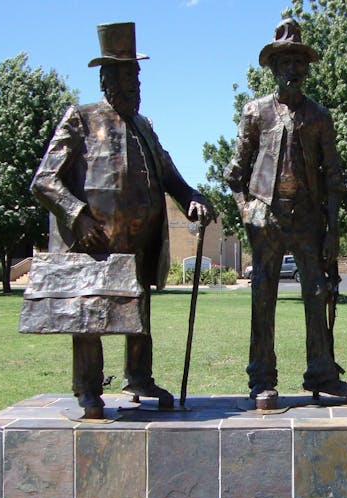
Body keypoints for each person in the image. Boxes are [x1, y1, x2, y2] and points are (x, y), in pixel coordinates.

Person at [29, 22, 212, 419]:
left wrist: (193, 198)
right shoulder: (80, 118)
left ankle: (139, 377)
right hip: (94, 241)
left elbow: (171, 177)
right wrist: (77, 217)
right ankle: (88, 389)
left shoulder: (145, 127)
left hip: (139, 241)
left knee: (139, 309)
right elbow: (44, 180)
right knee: (88, 314)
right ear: (107, 79)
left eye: (137, 75)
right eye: (127, 76)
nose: (135, 84)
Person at [224, 18, 347, 409]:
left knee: (317, 292)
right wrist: (247, 209)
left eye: (299, 62)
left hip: (307, 219)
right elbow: (235, 174)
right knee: (263, 293)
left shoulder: (319, 116)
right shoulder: (256, 112)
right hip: (265, 217)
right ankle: (261, 378)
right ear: (273, 67)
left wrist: (333, 230)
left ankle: (322, 373)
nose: (292, 70)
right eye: (285, 62)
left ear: (306, 68)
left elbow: (333, 178)